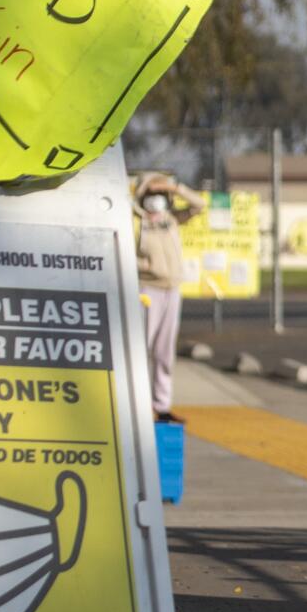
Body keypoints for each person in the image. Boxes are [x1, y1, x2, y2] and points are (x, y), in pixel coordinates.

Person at [133, 172, 205, 425]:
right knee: (141, 348)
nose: (157, 199)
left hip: (171, 290)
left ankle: (161, 406)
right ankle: (136, 404)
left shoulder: (171, 220)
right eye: (152, 195)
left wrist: (175, 187)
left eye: (160, 195)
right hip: (147, 290)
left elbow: (199, 205)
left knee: (164, 352)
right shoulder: (135, 222)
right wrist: (143, 190)